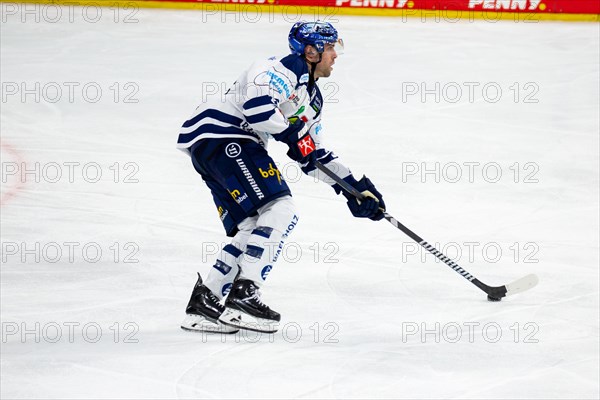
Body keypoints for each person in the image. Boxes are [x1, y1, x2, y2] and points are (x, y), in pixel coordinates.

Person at [178, 21, 386, 334]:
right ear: (311, 51)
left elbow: (311, 154)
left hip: (216, 145)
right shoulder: (279, 68)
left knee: (251, 226)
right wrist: (292, 135)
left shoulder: (311, 100)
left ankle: (205, 303)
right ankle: (244, 294)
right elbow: (259, 112)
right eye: (329, 48)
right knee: (281, 210)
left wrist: (353, 188)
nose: (335, 55)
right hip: (227, 137)